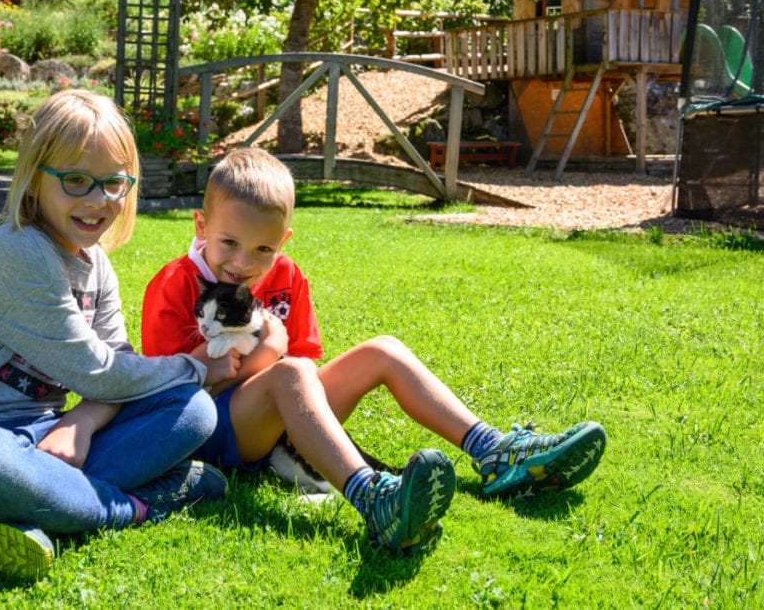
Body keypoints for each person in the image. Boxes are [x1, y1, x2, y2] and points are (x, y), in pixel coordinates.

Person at [140, 147, 607, 555]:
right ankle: (373, 498)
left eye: (263, 248)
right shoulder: (176, 283)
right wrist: (265, 356)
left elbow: (307, 364)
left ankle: (495, 453)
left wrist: (283, 369)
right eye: (229, 243)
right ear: (202, 226)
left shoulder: (288, 275)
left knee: (382, 349)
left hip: (280, 420)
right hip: (216, 432)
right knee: (290, 372)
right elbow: (168, 391)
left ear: (283, 241)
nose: (243, 263)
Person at [0, 90, 232, 580]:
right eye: (75, 181)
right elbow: (101, 372)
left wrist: (83, 421)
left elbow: (115, 368)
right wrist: (194, 366)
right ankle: (132, 506)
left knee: (192, 410)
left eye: (113, 183)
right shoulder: (20, 251)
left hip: (45, 440)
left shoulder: (97, 265)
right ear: (34, 178)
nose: (97, 201)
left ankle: (21, 512)